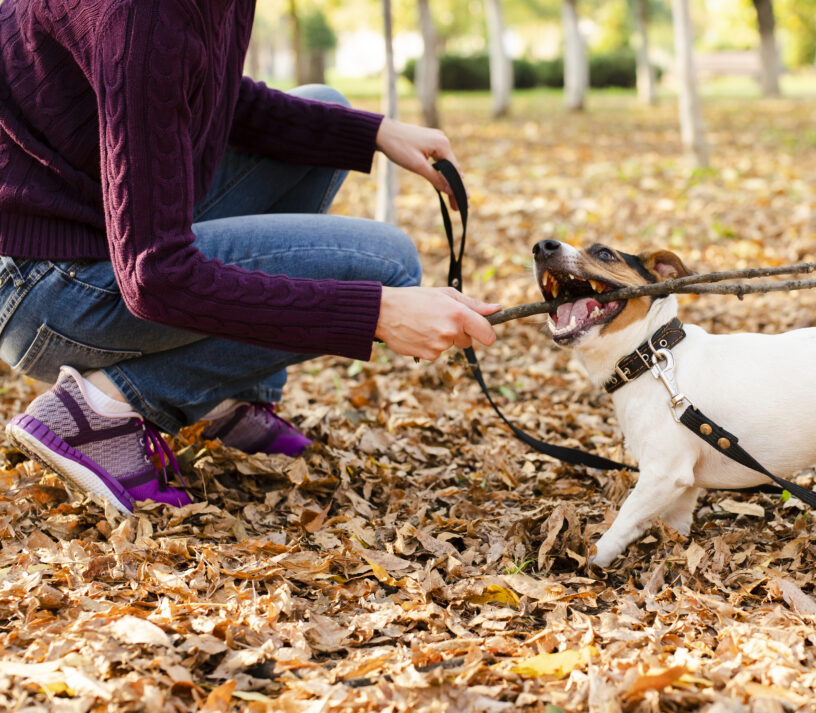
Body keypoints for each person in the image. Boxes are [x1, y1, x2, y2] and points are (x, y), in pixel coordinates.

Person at [0, 0, 499, 515]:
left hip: (94, 232)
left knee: (326, 109)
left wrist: (374, 133)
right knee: (386, 264)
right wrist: (377, 311)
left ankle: (227, 400)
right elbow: (157, 277)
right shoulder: (140, 15)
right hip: (46, 286)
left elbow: (202, 90)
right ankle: (97, 412)